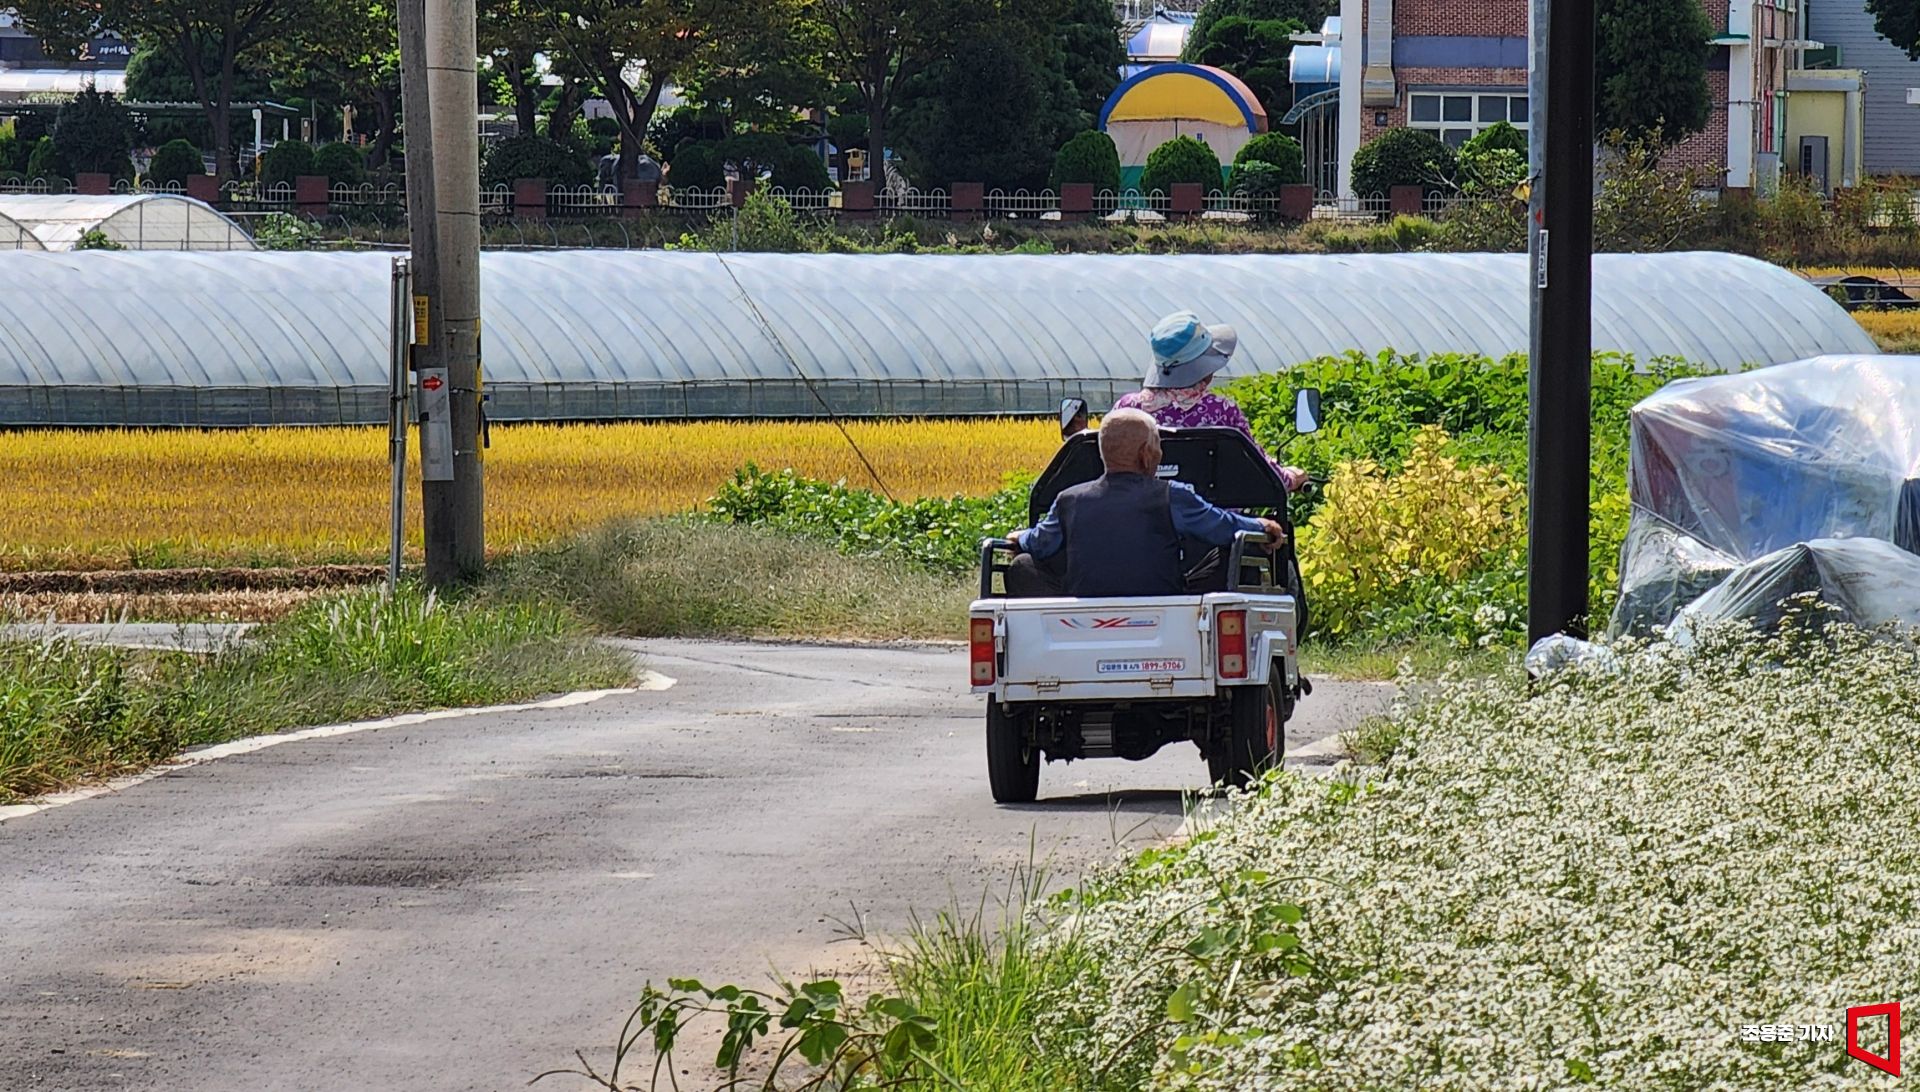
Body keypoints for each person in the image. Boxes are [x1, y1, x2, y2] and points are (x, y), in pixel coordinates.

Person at [1004, 408, 1284, 598]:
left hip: (1082, 609)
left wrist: (1021, 537)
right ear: (1148, 454)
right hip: (1164, 602)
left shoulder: (1068, 500)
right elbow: (1224, 528)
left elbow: (1039, 543)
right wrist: (1261, 524)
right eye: (1158, 445)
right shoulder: (1172, 495)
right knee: (1230, 555)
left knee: (1023, 565)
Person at [1114, 311, 1309, 492]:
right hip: (1214, 523)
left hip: (1139, 519)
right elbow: (1262, 471)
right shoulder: (1221, 411)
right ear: (1205, 369)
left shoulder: (1127, 410)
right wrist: (1291, 476)